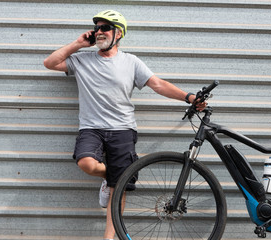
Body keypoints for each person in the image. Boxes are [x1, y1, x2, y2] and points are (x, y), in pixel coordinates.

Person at [44, 10, 206, 240]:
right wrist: (78, 43)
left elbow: (158, 84)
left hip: (123, 129)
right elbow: (50, 63)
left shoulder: (130, 61)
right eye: (97, 28)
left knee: (118, 188)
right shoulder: (81, 60)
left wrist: (188, 97)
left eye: (105, 28)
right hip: (91, 128)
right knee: (88, 164)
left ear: (118, 33)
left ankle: (109, 237)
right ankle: (109, 177)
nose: (99, 32)